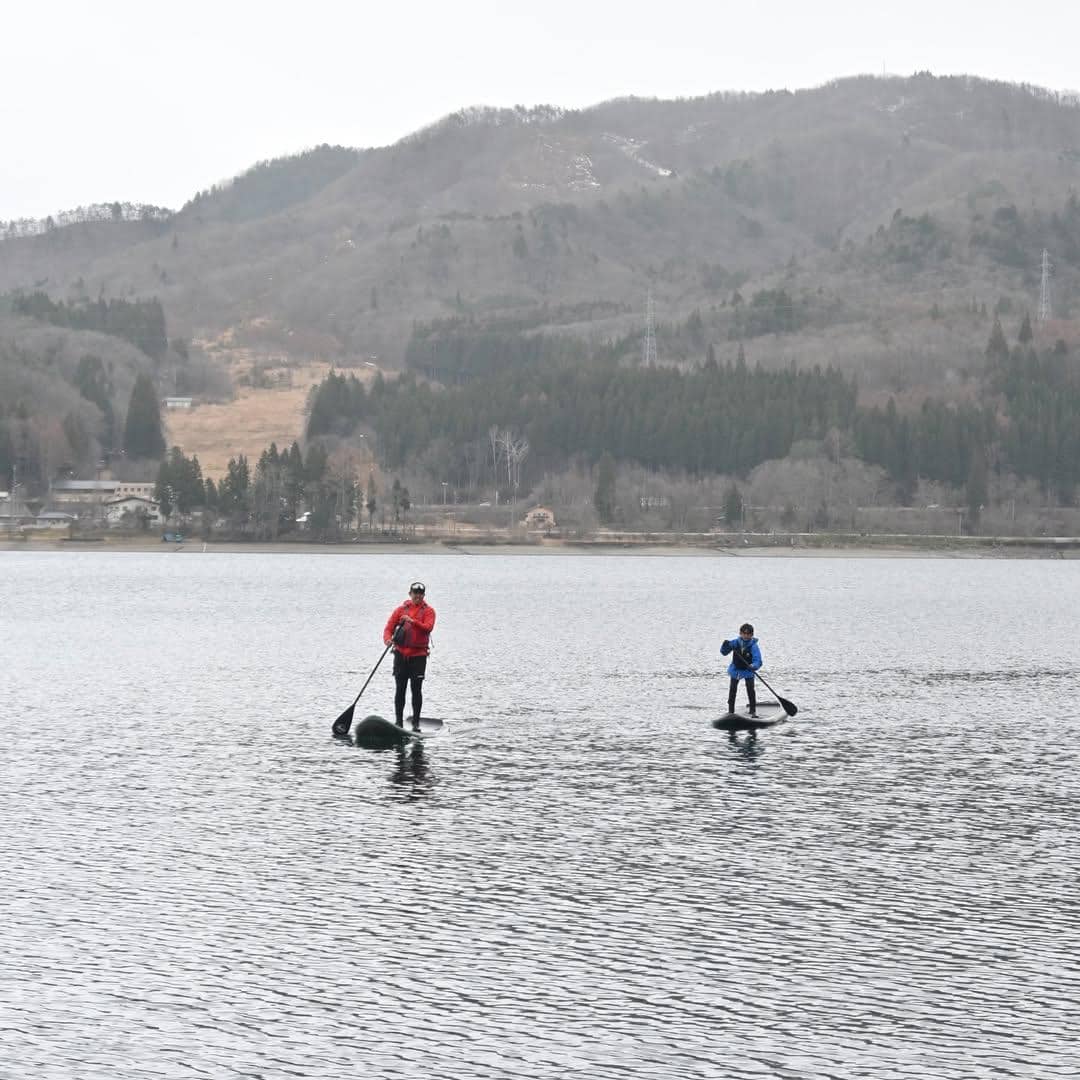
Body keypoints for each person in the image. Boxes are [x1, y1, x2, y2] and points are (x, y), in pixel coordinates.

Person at [383, 581, 436, 731]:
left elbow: (428, 627)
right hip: (401, 655)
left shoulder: (429, 611)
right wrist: (387, 640)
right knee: (400, 688)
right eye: (415, 593)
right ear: (410, 594)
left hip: (418, 656)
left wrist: (412, 621)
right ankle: (398, 722)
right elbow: (388, 628)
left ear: (423, 595)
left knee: (416, 688)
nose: (417, 596)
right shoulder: (400, 610)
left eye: (420, 594)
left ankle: (416, 723)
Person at [720, 622, 762, 717]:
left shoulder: (753, 646)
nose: (746, 636)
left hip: (748, 670)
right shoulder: (735, 643)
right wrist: (725, 646)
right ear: (740, 633)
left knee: (750, 690)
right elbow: (724, 653)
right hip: (735, 670)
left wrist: (753, 666)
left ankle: (753, 711)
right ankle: (731, 711)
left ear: (752, 635)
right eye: (744, 633)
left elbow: (758, 660)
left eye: (748, 634)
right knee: (732, 690)